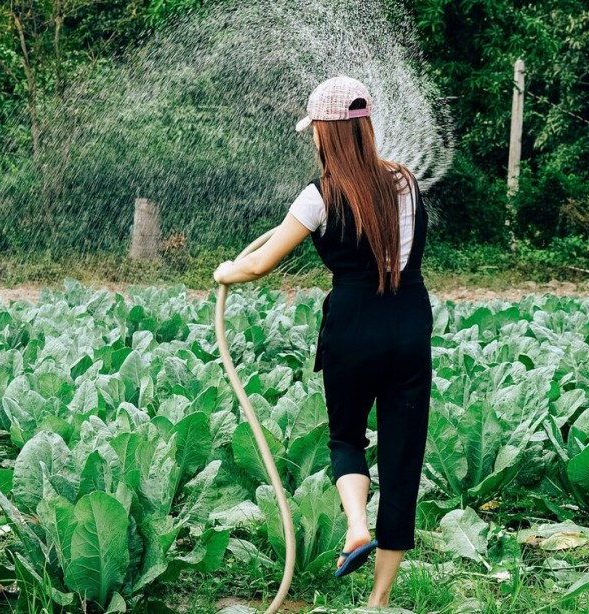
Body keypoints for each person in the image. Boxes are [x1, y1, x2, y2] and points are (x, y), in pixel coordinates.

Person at [213, 75, 432, 608]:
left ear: (325, 133)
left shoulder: (319, 196)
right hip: (408, 323)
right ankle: (378, 601)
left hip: (353, 327)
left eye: (314, 130)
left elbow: (259, 264)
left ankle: (356, 526)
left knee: (346, 437)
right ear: (366, 127)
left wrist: (225, 271)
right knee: (403, 457)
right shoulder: (405, 181)